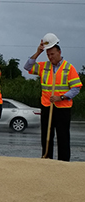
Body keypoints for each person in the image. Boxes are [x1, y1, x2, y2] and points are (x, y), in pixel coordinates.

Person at [23, 33, 82, 161]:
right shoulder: (44, 66)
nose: (50, 57)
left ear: (59, 52)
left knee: (63, 137)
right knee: (46, 136)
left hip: (63, 108)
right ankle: (47, 159)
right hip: (46, 106)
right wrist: (38, 52)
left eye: (52, 54)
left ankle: (63, 162)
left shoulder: (68, 68)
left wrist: (61, 97)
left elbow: (76, 88)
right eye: (48, 55)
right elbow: (27, 66)